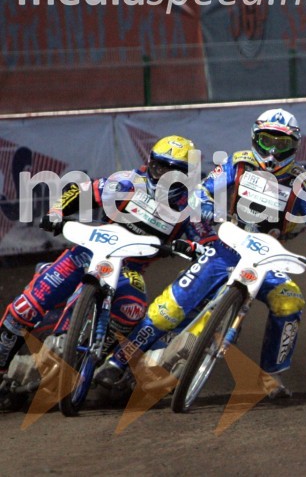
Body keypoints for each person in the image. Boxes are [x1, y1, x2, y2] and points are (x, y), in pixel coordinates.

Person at [95, 109, 306, 397]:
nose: (273, 152)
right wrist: (207, 206)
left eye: (282, 144)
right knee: (171, 306)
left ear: (295, 146)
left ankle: (270, 377)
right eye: (266, 142)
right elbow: (202, 191)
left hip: (268, 258)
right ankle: (118, 361)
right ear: (255, 139)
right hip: (227, 246)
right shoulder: (238, 163)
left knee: (290, 303)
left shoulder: (304, 184)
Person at [0, 136, 203, 383]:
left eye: (175, 173)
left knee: (133, 308)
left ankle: (102, 361)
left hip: (130, 268)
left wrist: (191, 247)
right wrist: (56, 212)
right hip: (87, 253)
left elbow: (206, 242)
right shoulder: (127, 182)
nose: (164, 177)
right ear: (150, 164)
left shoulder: (191, 206)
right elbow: (81, 190)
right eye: (160, 167)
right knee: (25, 307)